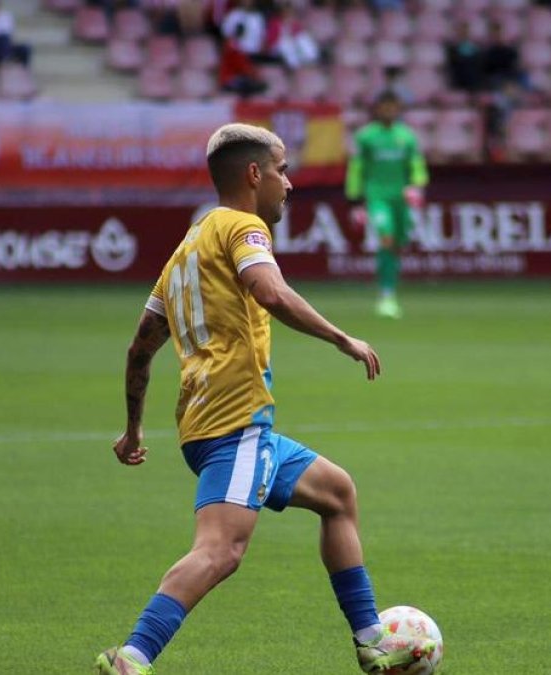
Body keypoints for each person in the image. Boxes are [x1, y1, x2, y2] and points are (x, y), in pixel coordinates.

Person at [94, 123, 435, 674]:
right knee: (220, 551)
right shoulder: (243, 228)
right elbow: (270, 291)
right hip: (235, 425)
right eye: (282, 170)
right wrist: (342, 338)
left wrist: (134, 427)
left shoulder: (185, 251)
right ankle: (131, 659)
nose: (289, 184)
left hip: (214, 425)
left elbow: (140, 348)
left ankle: (373, 640)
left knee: (337, 493)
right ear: (254, 174)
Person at [345, 91, 429, 319]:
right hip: (377, 197)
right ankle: (386, 295)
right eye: (385, 107)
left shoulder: (406, 136)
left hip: (400, 199)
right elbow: (357, 168)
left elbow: (416, 163)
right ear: (377, 109)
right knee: (386, 238)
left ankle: (390, 287)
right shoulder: (367, 137)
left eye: (394, 107)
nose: (389, 111)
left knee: (397, 245)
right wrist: (354, 199)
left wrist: (416, 184)